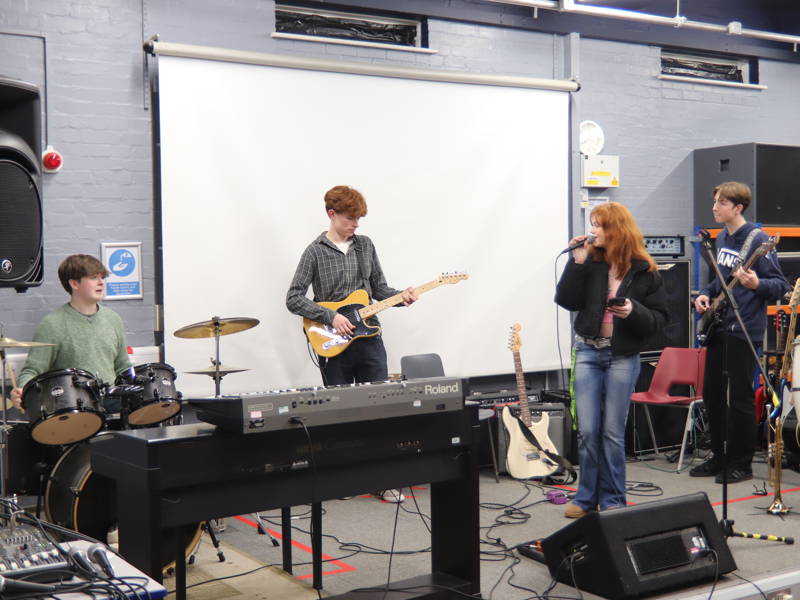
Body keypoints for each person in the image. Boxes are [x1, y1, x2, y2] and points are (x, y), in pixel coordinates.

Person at [286, 185, 417, 503]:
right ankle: (342, 481)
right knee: (338, 414)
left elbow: (379, 288)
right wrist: (329, 317)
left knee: (379, 409)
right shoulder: (314, 252)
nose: (356, 225)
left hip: (369, 339)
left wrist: (401, 297)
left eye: (359, 219)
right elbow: (293, 298)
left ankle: (382, 480)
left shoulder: (366, 246)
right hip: (333, 344)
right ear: (332, 214)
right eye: (349, 219)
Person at [555, 202, 668, 518]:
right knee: (588, 430)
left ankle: (613, 500)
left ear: (616, 229)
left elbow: (661, 319)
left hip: (622, 356)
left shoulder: (644, 270)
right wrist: (577, 263)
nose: (592, 231)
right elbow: (566, 300)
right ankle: (585, 499)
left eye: (598, 225)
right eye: (592, 224)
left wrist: (634, 311)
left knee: (612, 433)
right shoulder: (591, 263)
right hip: (588, 351)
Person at [692, 182, 789, 484]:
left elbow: (781, 286)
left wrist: (756, 284)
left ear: (738, 208)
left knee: (741, 398)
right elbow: (718, 281)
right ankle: (719, 455)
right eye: (715, 201)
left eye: (721, 203)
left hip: (744, 329)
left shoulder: (757, 241)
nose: (714, 208)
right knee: (712, 394)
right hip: (720, 327)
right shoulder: (722, 237)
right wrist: (705, 294)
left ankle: (741, 463)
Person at [11, 254, 130, 413]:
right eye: (93, 277)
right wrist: (22, 390)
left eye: (102, 277)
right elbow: (33, 371)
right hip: (74, 408)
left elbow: (123, 366)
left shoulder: (113, 319)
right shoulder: (52, 324)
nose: (101, 282)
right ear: (74, 283)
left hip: (113, 404)